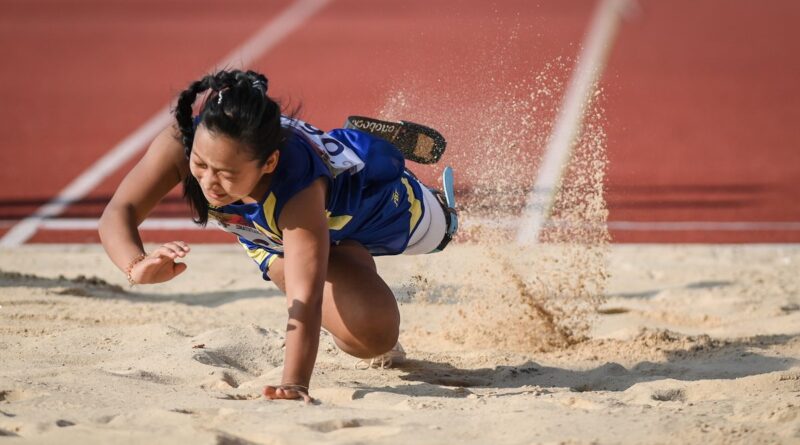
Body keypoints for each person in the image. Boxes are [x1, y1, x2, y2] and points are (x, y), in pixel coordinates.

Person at [98, 69, 457, 403]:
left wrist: (294, 383)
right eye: (201, 166)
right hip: (273, 236)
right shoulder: (184, 142)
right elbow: (119, 212)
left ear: (268, 163)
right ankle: (346, 256)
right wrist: (137, 265)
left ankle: (364, 148)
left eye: (226, 173)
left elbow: (306, 298)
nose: (208, 183)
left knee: (443, 231)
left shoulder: (296, 187)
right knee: (374, 339)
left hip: (369, 204)